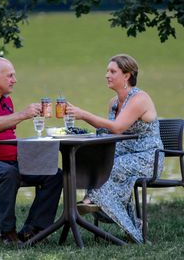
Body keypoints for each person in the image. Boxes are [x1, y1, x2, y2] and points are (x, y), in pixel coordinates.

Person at [0, 57, 62, 245]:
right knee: (8, 173)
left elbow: (7, 134)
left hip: (10, 162)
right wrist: (22, 114)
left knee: (53, 173)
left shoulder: (6, 101)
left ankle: (34, 230)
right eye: (10, 76)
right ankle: (7, 233)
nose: (14, 80)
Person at [66, 54, 164, 243]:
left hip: (147, 158)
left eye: (112, 71)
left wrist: (83, 114)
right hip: (122, 156)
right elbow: (111, 132)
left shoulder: (140, 98)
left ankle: (93, 202)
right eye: (107, 71)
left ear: (127, 75)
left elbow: (118, 127)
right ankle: (100, 206)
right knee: (97, 164)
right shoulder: (113, 103)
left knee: (111, 167)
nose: (107, 75)